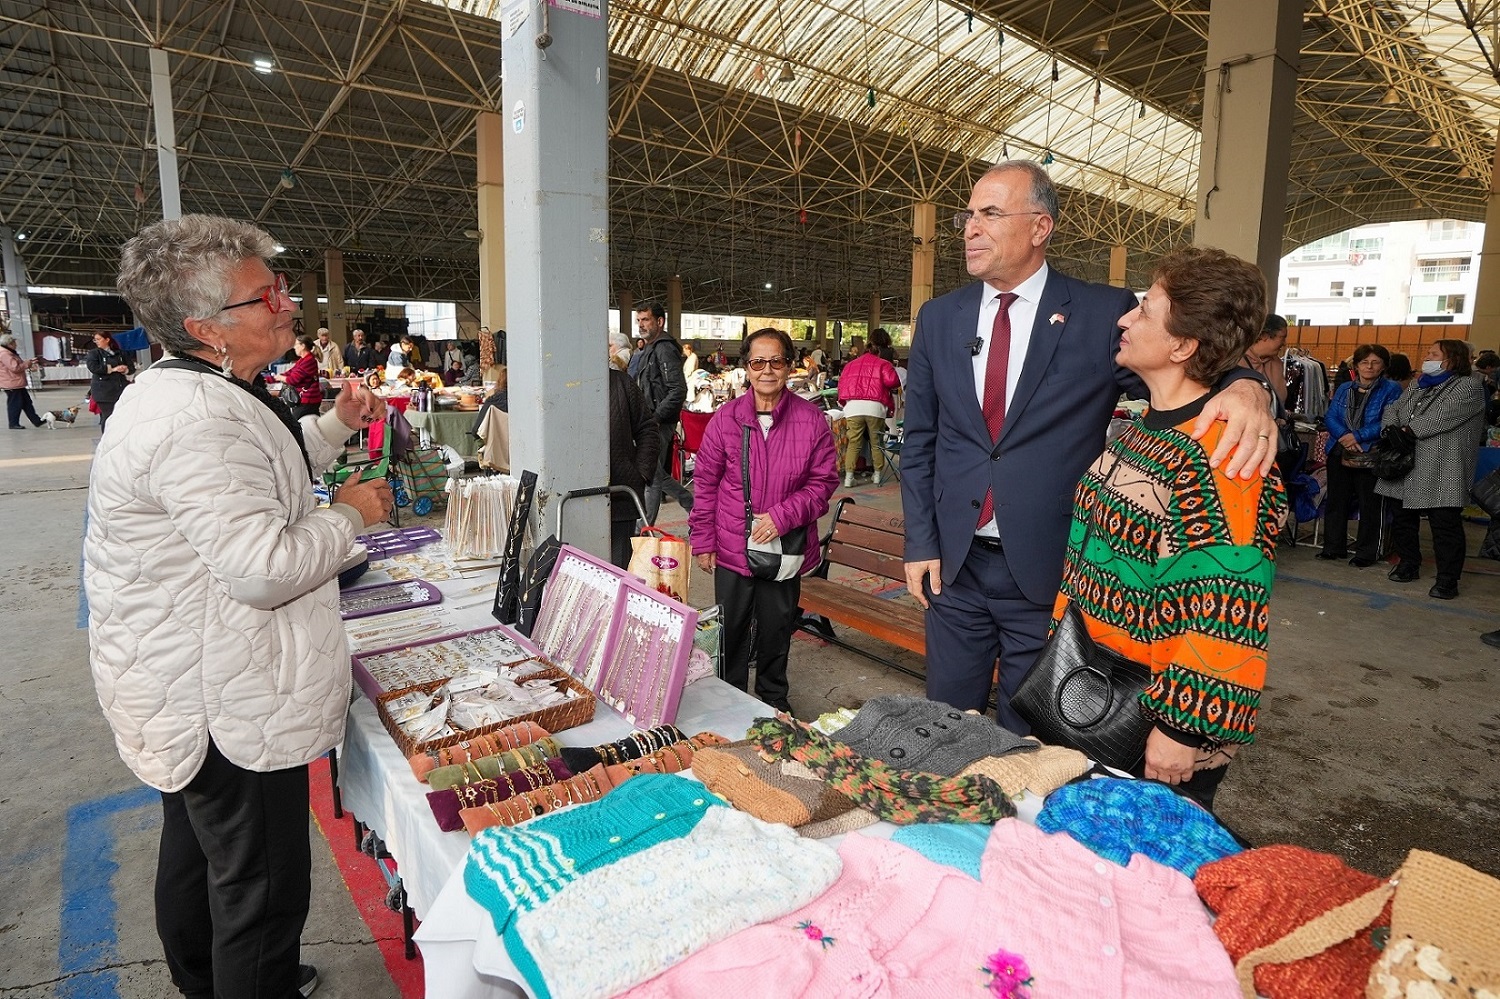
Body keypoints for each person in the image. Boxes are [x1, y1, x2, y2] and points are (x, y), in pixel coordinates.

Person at [87, 214, 393, 999]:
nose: (287, 305)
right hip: (227, 698)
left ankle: (210, 981)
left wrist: (335, 426)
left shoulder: (199, 391)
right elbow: (262, 566)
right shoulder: (197, 418)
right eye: (266, 296)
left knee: (198, 855)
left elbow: (261, 474)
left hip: (186, 680)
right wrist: (353, 512)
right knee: (259, 890)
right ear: (206, 327)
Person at [900, 160, 1278, 733]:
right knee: (943, 725)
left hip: (1051, 576)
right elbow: (921, 438)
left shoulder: (1104, 313)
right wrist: (919, 541)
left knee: (1034, 741)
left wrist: (1248, 386)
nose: (970, 228)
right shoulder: (938, 317)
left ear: (1040, 227)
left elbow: (1184, 370)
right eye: (968, 214)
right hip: (953, 568)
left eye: (991, 213)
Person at [1053, 246, 1286, 809]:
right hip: (1094, 687)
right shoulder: (1139, 429)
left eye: (1145, 310)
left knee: (1143, 881)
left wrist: (1181, 731)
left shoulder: (1219, 455)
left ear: (1183, 345)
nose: (1125, 319)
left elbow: (1226, 604)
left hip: (1150, 720)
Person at [689, 328, 838, 712]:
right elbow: (705, 482)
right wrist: (703, 540)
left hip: (784, 549)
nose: (767, 370)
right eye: (758, 362)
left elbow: (823, 483)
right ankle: (730, 701)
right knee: (732, 632)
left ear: (789, 366)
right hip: (733, 547)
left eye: (776, 361)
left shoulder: (811, 421)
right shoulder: (726, 419)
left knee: (776, 630)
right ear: (747, 368)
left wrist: (782, 517)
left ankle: (773, 701)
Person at [1376, 339, 1487, 599]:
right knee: (1402, 518)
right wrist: (1391, 430)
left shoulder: (1468, 386)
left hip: (1442, 465)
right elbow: (1394, 408)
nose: (1427, 357)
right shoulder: (1419, 382)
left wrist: (1407, 431)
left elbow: (1441, 417)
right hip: (1406, 461)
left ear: (1451, 359)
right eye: (1428, 352)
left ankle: (1448, 579)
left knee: (1444, 524)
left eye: (1433, 353)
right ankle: (1408, 564)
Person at [1316, 344, 1402, 567]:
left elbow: (1387, 420)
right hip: (1339, 449)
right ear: (1356, 365)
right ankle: (1333, 547)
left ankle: (1366, 552)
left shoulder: (1391, 389)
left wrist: (1358, 436)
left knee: (1369, 504)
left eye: (1375, 362)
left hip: (1370, 451)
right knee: (1336, 500)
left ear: (1384, 366)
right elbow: (1331, 416)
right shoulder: (1345, 388)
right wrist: (1345, 435)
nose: (1369, 366)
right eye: (1364, 362)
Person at [634, 302, 694, 520]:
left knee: (652, 475)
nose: (641, 325)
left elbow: (678, 389)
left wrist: (655, 418)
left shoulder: (664, 348)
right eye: (638, 320)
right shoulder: (651, 347)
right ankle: (688, 501)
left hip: (658, 421)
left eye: (645, 320)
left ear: (659, 321)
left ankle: (644, 528)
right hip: (651, 420)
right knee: (654, 472)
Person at [608, 364, 660, 568]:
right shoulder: (558, 384)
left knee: (619, 574)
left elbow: (647, 428)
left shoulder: (621, 383)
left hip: (620, 499)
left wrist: (640, 473)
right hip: (570, 504)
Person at [836, 326, 901, 487]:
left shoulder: (850, 365)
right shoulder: (883, 364)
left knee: (854, 443)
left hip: (852, 408)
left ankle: (849, 478)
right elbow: (893, 381)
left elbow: (841, 385)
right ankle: (877, 475)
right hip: (875, 408)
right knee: (876, 442)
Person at [86, 331, 135, 432]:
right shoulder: (94, 354)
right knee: (108, 415)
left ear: (107, 339)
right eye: (95, 340)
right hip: (103, 391)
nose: (96, 342)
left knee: (122, 415)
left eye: (99, 339)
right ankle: (107, 439)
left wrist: (125, 369)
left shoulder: (121, 353)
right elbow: (94, 368)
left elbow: (131, 367)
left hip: (121, 389)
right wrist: (113, 369)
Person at [1242, 313, 1288, 409]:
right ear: (1264, 336)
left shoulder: (1277, 363)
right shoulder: (1236, 362)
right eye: (1282, 338)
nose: (1284, 343)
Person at [0, 332, 43, 429]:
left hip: (16, 382)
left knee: (27, 402)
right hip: (11, 383)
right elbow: (15, 367)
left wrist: (29, 362)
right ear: (9, 344)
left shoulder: (8, 352)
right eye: (14, 343)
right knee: (15, 404)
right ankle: (13, 423)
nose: (16, 345)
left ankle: (36, 420)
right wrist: (27, 364)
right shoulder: (4, 354)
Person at [276, 335, 325, 419]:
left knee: (294, 424)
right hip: (306, 400)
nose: (294, 347)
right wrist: (269, 379)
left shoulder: (309, 361)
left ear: (303, 346)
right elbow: (289, 373)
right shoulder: (302, 360)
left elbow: (293, 380)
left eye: (296, 344)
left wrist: (281, 378)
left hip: (309, 400)